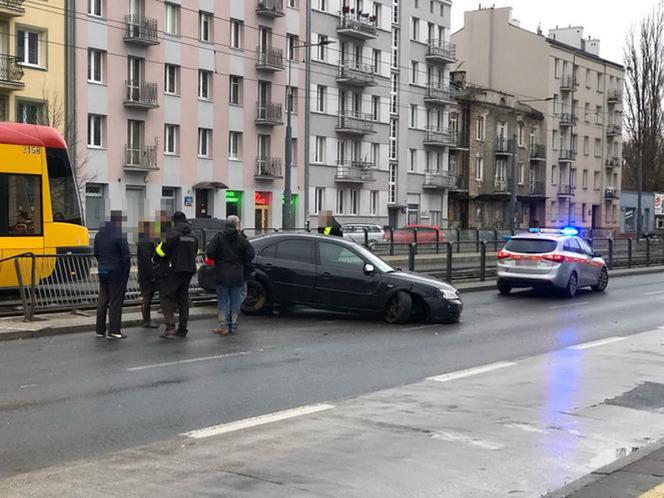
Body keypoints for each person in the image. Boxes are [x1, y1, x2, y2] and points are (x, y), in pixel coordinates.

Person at [206, 215, 255, 336]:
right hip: (237, 275)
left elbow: (210, 253)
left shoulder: (218, 237)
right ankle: (233, 325)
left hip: (221, 274)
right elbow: (251, 253)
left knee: (222, 300)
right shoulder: (241, 239)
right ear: (236, 226)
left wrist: (219, 258)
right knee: (235, 301)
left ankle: (223, 327)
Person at [154, 211, 198, 338]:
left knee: (165, 296)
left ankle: (170, 326)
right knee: (183, 298)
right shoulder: (193, 234)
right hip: (188, 270)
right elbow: (195, 252)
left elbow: (161, 252)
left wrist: (155, 259)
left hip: (173, 270)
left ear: (174, 221)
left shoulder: (171, 233)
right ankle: (182, 328)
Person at [94, 211, 131, 340]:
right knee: (115, 301)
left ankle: (100, 330)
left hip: (102, 270)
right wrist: (125, 271)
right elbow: (126, 256)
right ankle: (114, 331)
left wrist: (102, 264)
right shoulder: (119, 234)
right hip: (116, 271)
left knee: (103, 299)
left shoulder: (99, 234)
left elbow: (96, 252)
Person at [136, 221, 159, 329]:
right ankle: (146, 320)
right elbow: (147, 260)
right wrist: (152, 275)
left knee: (148, 296)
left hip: (145, 273)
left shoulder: (145, 240)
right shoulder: (146, 242)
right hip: (147, 274)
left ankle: (147, 320)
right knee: (147, 296)